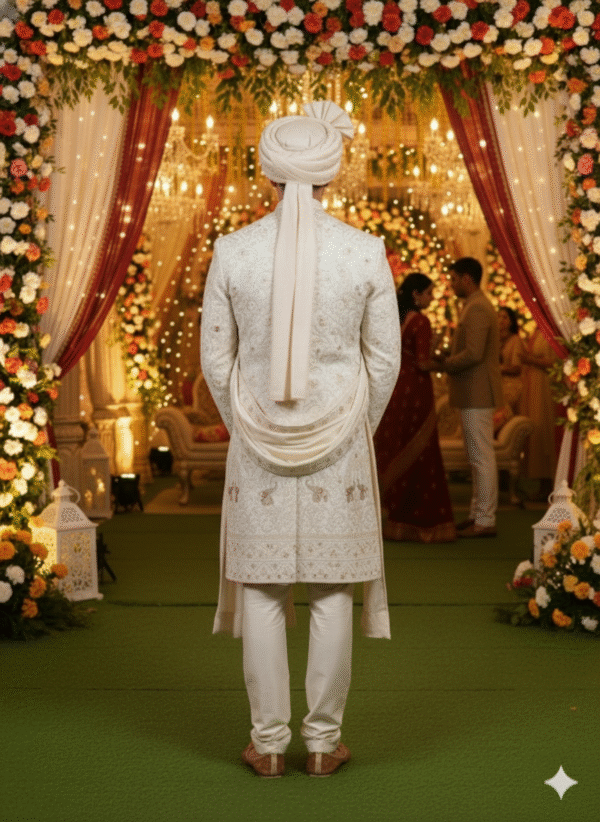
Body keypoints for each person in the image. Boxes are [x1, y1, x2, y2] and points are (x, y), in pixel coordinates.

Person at [200, 101, 400, 779]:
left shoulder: (232, 250)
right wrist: (350, 427)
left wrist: (249, 420)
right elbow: (385, 360)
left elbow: (214, 359)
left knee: (259, 590)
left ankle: (267, 744)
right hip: (340, 436)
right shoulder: (365, 250)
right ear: (332, 174)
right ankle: (322, 743)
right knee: (332, 591)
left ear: (266, 172)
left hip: (256, 438)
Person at [374, 273, 456, 543]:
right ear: (416, 294)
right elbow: (422, 363)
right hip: (416, 391)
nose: (432, 299)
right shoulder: (420, 321)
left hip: (394, 388)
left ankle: (394, 516)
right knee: (421, 450)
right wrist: (445, 365)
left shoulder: (393, 319)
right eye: (429, 293)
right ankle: (420, 521)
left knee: (396, 446)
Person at [435, 257, 503, 538]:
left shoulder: (477, 307)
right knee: (476, 457)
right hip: (473, 390)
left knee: (481, 458)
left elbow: (474, 353)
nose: (450, 284)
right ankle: (477, 514)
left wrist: (445, 363)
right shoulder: (475, 304)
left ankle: (485, 519)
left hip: (478, 390)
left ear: (466, 279)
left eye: (453, 278)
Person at [520, 325, 558, 498]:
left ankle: (551, 484)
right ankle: (542, 485)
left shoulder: (553, 331)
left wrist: (530, 360)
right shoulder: (538, 330)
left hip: (546, 388)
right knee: (536, 432)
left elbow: (557, 363)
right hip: (534, 386)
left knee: (545, 431)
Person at [494, 306, 524, 430]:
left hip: (511, 386)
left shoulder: (515, 340)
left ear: (511, 321)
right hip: (497, 385)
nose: (501, 320)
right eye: (499, 317)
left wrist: (499, 369)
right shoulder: (495, 340)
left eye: (505, 317)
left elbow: (517, 368)